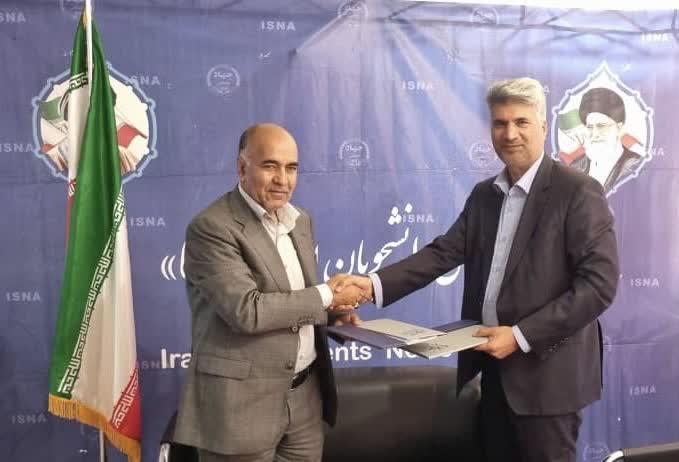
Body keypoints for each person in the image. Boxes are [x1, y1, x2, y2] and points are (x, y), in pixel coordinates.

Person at [342, 78, 619, 462]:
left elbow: (599, 286)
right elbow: (442, 253)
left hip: (548, 382)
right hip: (492, 372)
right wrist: (370, 285)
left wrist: (520, 335)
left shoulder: (577, 191)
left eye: (521, 122)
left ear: (543, 126)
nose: (510, 134)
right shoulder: (484, 195)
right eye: (500, 123)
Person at [173, 123, 365, 462]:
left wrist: (333, 314)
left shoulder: (300, 220)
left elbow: (295, 296)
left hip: (305, 401)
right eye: (270, 166)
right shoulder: (211, 227)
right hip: (240, 409)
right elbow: (247, 311)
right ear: (242, 168)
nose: (283, 180)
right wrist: (326, 296)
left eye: (291, 168)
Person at [570, 87, 642, 193]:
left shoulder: (635, 165)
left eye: (601, 126)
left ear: (619, 128)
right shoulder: (575, 168)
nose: (595, 134)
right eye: (590, 127)